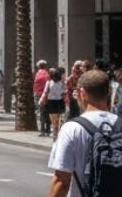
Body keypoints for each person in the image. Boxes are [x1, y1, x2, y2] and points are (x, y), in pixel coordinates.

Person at [47, 69, 120, 197]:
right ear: (108, 92)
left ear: (82, 93)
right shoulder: (119, 124)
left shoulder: (72, 128)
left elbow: (62, 181)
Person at [42, 67, 68, 138]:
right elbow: (65, 91)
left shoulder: (49, 82)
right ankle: (56, 132)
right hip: (58, 101)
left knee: (54, 119)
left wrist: (42, 100)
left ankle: (55, 132)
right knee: (57, 119)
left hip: (52, 102)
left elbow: (45, 92)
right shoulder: (62, 83)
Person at [36, 60, 53, 135]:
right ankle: (48, 129)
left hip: (40, 95)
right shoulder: (47, 74)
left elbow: (35, 85)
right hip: (48, 95)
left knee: (42, 112)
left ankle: (42, 130)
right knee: (48, 112)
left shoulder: (37, 74)